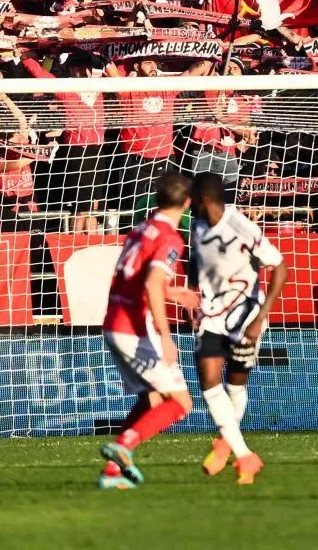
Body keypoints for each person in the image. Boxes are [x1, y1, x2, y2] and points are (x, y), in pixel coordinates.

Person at [96, 170, 196, 490]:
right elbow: (152, 283)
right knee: (180, 403)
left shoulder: (141, 229)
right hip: (135, 328)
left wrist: (174, 293)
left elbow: (139, 279)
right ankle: (124, 444)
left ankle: (112, 474)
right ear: (188, 203)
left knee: (150, 397)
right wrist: (166, 337)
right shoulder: (170, 237)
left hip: (113, 322)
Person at [188, 171, 287, 485]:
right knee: (208, 381)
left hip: (245, 316)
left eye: (193, 198)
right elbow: (196, 263)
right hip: (210, 315)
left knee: (235, 385)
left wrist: (260, 318)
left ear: (205, 199)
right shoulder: (196, 225)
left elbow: (280, 267)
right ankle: (245, 455)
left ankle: (226, 443)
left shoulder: (241, 226)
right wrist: (194, 298)